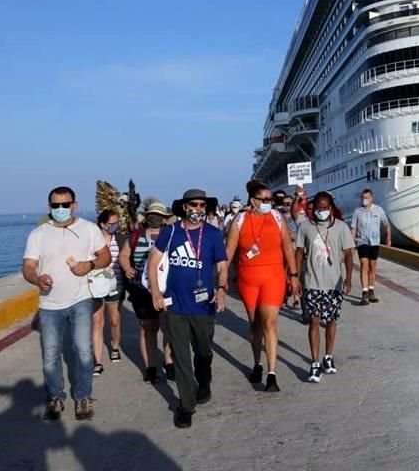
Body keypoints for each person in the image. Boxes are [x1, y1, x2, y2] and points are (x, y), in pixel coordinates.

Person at [22, 186, 111, 421]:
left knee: (83, 350)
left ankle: (83, 397)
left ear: (74, 205)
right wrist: (37, 279)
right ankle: (55, 397)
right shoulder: (38, 234)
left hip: (81, 299)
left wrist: (89, 265)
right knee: (51, 354)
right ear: (49, 206)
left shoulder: (89, 229)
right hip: (49, 304)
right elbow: (28, 266)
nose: (60, 209)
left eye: (65, 204)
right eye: (55, 205)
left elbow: (105, 256)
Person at [148, 189, 227, 429]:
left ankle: (204, 378)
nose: (198, 209)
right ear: (184, 207)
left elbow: (222, 265)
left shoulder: (213, 234)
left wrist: (221, 289)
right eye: (194, 204)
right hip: (175, 305)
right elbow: (153, 261)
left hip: (203, 306)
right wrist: (155, 292)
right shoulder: (171, 231)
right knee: (181, 356)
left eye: (202, 205)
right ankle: (186, 405)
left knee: (203, 351)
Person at [225, 180, 301, 392]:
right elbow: (229, 251)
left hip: (273, 277)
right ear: (253, 200)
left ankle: (272, 373)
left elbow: (287, 246)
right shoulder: (240, 220)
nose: (269, 202)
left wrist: (293, 275)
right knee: (255, 325)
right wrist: (221, 278)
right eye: (265, 199)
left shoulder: (277, 217)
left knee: (269, 322)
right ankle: (257, 363)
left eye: (270, 199)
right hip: (248, 279)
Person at [295, 192, 355, 382]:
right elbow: (299, 252)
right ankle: (314, 364)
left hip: (333, 283)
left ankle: (328, 357)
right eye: (318, 208)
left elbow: (348, 254)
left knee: (331, 322)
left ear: (330, 208)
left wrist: (348, 279)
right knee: (314, 321)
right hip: (312, 282)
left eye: (325, 208)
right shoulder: (305, 227)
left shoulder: (341, 227)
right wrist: (295, 277)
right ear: (313, 208)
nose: (321, 211)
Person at [119, 200, 173, 383]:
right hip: (141, 289)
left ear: (164, 218)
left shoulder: (170, 235)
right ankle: (151, 367)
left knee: (169, 326)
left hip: (166, 288)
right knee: (148, 328)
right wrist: (127, 268)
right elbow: (124, 255)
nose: (155, 218)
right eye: (152, 214)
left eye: (159, 215)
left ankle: (169, 361)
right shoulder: (136, 236)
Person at [90, 210, 125, 376]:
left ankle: (115, 346)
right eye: (111, 223)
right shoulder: (92, 241)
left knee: (114, 320)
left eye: (117, 223)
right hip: (96, 286)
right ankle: (98, 362)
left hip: (116, 285)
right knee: (97, 322)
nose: (115, 226)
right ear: (103, 224)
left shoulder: (121, 239)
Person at [351, 189, 392, 305]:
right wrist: (351, 243)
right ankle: (364, 293)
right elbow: (353, 228)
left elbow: (386, 224)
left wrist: (388, 237)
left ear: (371, 198)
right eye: (363, 197)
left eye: (367, 197)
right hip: (362, 241)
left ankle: (371, 290)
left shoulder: (378, 210)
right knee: (364, 265)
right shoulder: (358, 212)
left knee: (372, 267)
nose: (364, 200)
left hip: (374, 242)